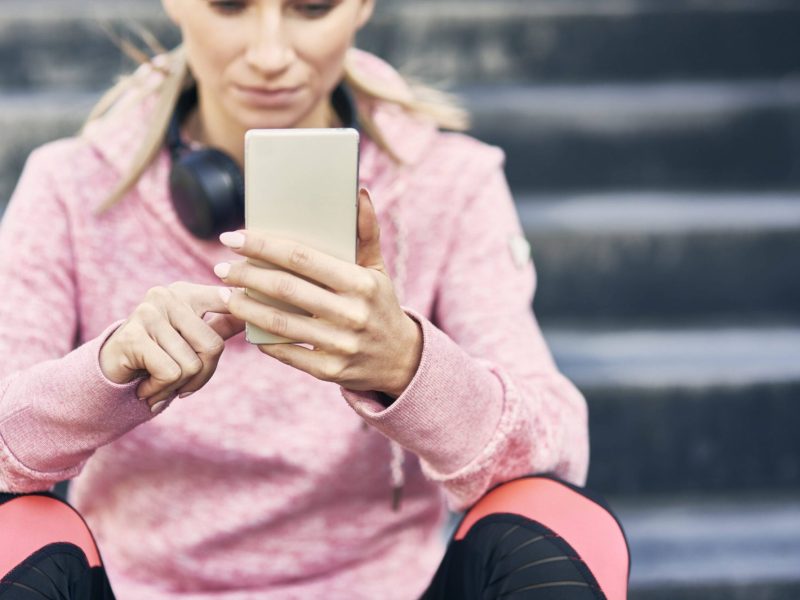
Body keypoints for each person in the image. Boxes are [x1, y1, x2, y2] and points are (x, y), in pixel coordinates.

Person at [0, 0, 629, 598]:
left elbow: (557, 446)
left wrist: (409, 366)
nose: (270, 54)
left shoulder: (449, 180)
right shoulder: (70, 184)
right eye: (229, 6)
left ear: (361, 8)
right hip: (137, 590)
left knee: (552, 518)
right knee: (16, 530)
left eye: (311, 8)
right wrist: (103, 375)